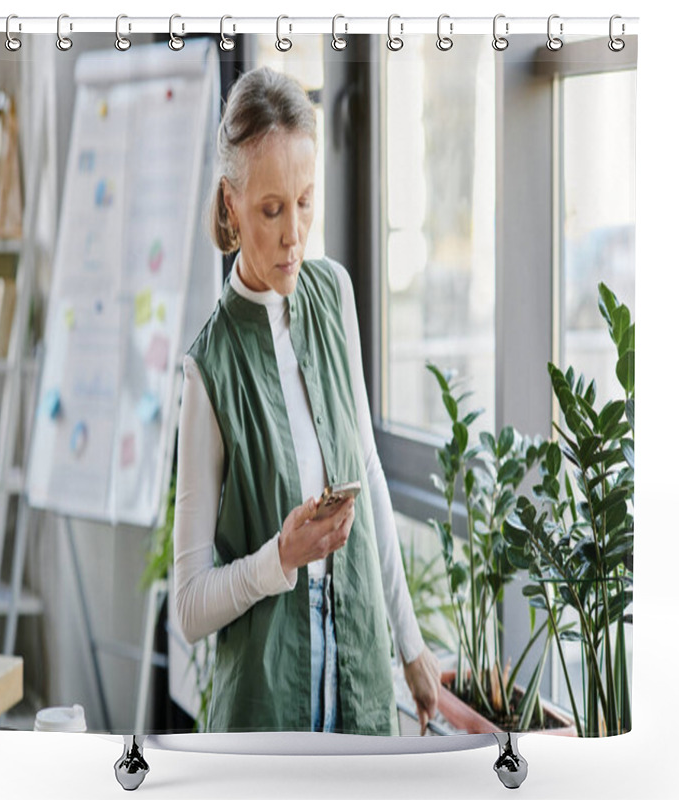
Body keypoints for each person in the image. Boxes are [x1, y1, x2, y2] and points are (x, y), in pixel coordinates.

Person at [173, 66, 441, 736]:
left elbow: (369, 471)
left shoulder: (335, 294)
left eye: (305, 201)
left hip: (357, 661)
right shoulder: (209, 368)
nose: (295, 233)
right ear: (231, 205)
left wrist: (410, 648)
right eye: (271, 209)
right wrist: (281, 559)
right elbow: (188, 605)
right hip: (264, 699)